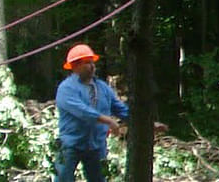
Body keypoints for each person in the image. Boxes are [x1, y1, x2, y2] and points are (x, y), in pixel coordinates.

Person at [54, 43, 166, 182]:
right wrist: (107, 120)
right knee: (63, 178)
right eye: (87, 63)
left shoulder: (102, 88)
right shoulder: (66, 88)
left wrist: (148, 124)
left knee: (99, 179)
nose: (92, 66)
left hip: (96, 145)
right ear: (75, 66)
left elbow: (122, 110)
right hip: (71, 144)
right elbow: (82, 111)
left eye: (92, 62)